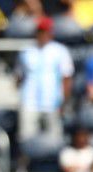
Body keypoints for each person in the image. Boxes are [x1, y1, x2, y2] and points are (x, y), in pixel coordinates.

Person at [15, 16, 74, 145]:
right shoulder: (26, 51)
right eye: (40, 31)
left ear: (51, 33)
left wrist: (64, 101)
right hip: (29, 101)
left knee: (54, 140)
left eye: (45, 31)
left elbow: (66, 78)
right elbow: (19, 76)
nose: (43, 34)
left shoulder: (60, 51)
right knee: (26, 139)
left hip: (52, 101)